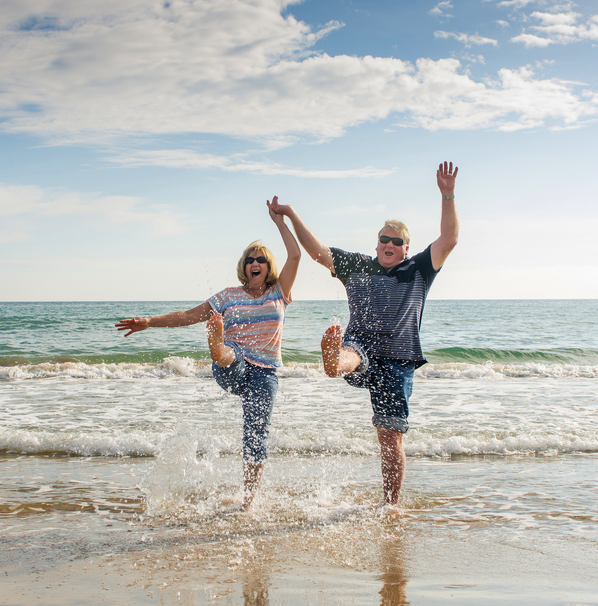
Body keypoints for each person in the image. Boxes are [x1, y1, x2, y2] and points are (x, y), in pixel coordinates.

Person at [270, 161, 459, 506]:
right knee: (353, 353)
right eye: (384, 239)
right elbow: (317, 252)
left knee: (390, 436)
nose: (389, 244)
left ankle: (390, 505)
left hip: (398, 361)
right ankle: (334, 361)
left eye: (396, 241)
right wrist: (291, 215)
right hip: (360, 346)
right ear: (376, 245)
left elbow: (449, 240)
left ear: (405, 248)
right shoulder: (358, 265)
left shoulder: (419, 269)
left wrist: (447, 196)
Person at [115, 197, 301, 510]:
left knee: (256, 436)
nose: (255, 263)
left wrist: (281, 220)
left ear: (269, 267)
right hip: (233, 364)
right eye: (250, 259)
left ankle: (247, 502)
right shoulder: (228, 296)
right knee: (232, 354)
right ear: (243, 266)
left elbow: (295, 254)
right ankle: (218, 349)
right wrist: (148, 322)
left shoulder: (279, 292)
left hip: (265, 374)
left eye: (261, 259)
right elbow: (189, 315)